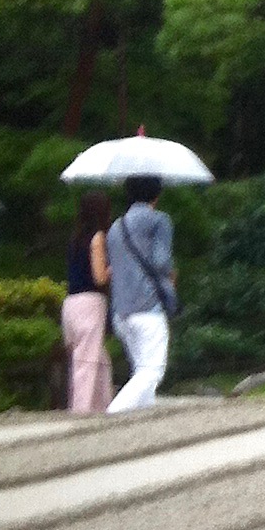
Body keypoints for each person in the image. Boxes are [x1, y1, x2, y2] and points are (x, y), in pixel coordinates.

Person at [106, 176, 177, 413]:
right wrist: (171, 274)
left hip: (121, 310)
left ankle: (143, 419)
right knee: (152, 370)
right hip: (148, 306)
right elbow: (161, 261)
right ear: (156, 195)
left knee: (140, 370)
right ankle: (113, 413)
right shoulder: (159, 220)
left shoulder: (115, 227)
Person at [61, 190, 114, 412]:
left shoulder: (75, 239)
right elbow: (99, 277)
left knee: (99, 358)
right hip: (90, 302)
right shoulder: (98, 237)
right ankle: (81, 410)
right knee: (87, 360)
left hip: (71, 303)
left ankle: (103, 406)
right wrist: (115, 268)